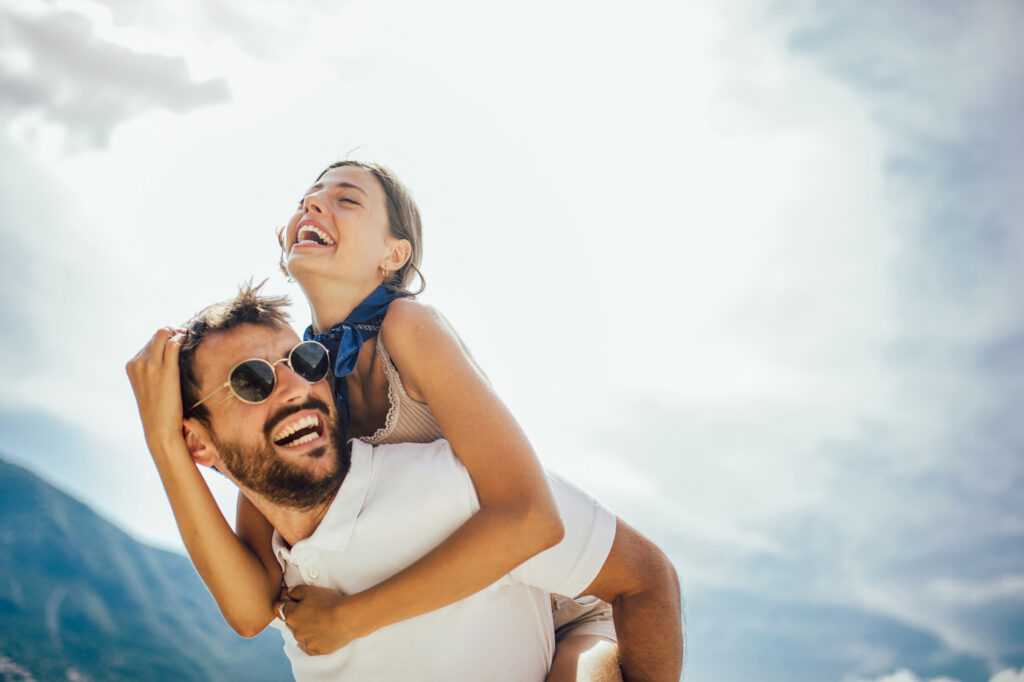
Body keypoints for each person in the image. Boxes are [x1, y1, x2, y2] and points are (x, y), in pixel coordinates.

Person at [137, 159, 626, 679]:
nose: (312, 203)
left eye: (346, 199)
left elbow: (531, 517)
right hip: (478, 613)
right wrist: (167, 444)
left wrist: (351, 619)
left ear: (395, 255)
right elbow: (252, 607)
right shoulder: (303, 378)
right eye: (306, 198)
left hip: (564, 601)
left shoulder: (408, 327)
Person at [126, 286, 684, 681]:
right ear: (198, 442)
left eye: (304, 359)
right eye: (251, 380)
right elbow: (246, 615)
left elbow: (646, 578)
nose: (296, 385)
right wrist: (164, 444)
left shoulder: (454, 488)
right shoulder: (270, 562)